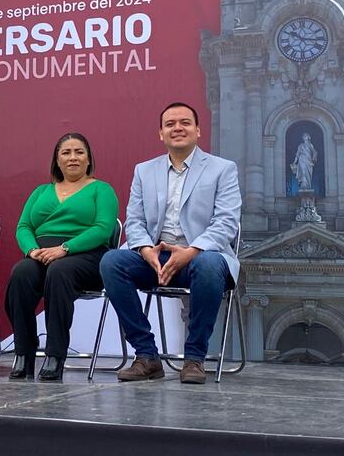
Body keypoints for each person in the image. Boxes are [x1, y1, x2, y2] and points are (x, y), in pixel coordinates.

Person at [100, 102, 240, 384]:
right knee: (112, 262)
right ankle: (147, 355)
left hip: (202, 257)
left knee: (209, 263)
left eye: (185, 123)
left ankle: (194, 358)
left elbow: (226, 222)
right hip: (156, 259)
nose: (178, 128)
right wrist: (145, 250)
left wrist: (191, 251)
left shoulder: (222, 169)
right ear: (160, 133)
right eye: (170, 124)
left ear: (198, 130)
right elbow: (135, 220)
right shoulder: (144, 171)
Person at [5, 133, 118, 382]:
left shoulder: (102, 189)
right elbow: (24, 226)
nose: (73, 157)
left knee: (59, 271)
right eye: (66, 153)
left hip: (86, 255)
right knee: (21, 273)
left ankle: (55, 354)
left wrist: (65, 248)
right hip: (42, 254)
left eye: (79, 152)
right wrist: (32, 250)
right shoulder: (41, 191)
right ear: (57, 161)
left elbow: (103, 228)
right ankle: (24, 351)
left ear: (89, 159)